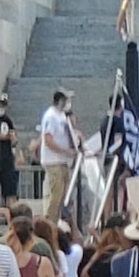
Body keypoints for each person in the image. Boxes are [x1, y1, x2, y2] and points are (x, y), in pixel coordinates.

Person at [40, 89, 79, 221]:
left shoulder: (62, 116)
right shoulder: (51, 116)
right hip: (53, 161)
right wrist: (64, 150)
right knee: (56, 196)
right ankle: (50, 222)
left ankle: (59, 221)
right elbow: (48, 139)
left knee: (63, 195)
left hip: (63, 161)